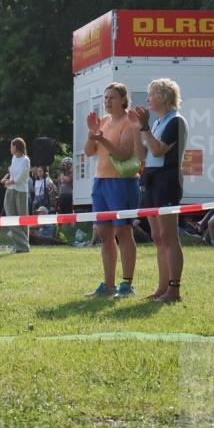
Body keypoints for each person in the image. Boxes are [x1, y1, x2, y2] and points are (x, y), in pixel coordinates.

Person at [131, 78, 189, 303]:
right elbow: (142, 155)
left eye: (151, 94)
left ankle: (174, 289)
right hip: (152, 181)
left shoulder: (176, 121)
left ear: (163, 97)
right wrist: (137, 128)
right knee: (157, 236)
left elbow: (157, 150)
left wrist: (144, 127)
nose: (147, 99)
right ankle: (162, 287)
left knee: (169, 236)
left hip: (167, 181)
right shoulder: (156, 123)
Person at [84, 82, 141, 298]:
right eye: (105, 98)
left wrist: (101, 139)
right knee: (104, 234)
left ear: (124, 100)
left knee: (123, 232)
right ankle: (108, 285)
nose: (107, 101)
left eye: (112, 98)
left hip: (122, 183)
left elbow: (124, 153)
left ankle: (127, 284)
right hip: (101, 182)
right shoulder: (104, 122)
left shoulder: (129, 122)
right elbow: (89, 152)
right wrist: (92, 135)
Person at [2, 138, 31, 253]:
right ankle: (22, 245)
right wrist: (8, 180)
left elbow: (23, 176)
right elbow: (13, 174)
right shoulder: (13, 158)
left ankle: (23, 246)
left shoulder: (26, 160)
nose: (10, 148)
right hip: (10, 190)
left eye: (11, 146)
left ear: (16, 147)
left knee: (23, 219)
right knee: (11, 218)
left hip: (21, 191)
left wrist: (12, 181)